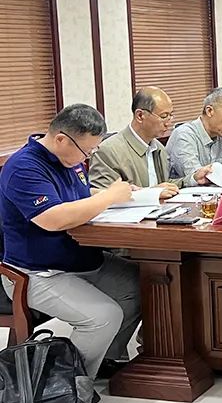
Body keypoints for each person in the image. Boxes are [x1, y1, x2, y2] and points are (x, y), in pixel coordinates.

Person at [0, 104, 141, 382]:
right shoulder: (24, 168)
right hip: (38, 272)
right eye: (86, 151)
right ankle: (65, 387)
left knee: (143, 284)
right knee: (104, 316)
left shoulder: (68, 159)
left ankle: (103, 360)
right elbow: (52, 218)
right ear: (61, 139)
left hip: (80, 260)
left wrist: (115, 194)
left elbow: (79, 196)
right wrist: (109, 197)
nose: (88, 157)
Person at [90, 87, 210, 197]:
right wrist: (152, 193)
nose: (168, 123)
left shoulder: (158, 147)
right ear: (140, 115)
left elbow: (163, 184)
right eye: (164, 116)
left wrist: (193, 179)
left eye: (171, 115)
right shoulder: (108, 151)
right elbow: (102, 198)